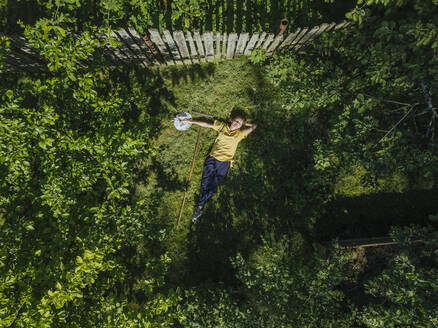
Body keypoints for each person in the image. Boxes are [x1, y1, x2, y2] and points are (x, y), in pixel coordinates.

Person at [182, 109, 257, 221]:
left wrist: (245, 124)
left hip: (225, 163)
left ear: (241, 126)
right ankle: (200, 207)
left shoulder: (240, 134)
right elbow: (206, 124)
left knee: (212, 186)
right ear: (231, 120)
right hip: (212, 159)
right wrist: (190, 121)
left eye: (239, 124)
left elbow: (254, 126)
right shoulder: (222, 127)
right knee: (205, 183)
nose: (237, 124)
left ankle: (200, 207)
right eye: (236, 121)